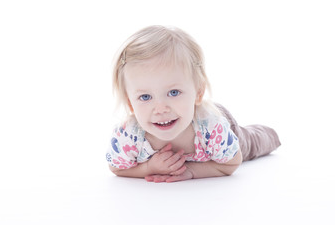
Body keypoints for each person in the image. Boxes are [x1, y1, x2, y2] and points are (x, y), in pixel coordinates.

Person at [106, 25, 281, 183]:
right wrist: (148, 168)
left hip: (221, 126)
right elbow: (116, 167)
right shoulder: (129, 135)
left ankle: (270, 134)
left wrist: (191, 171)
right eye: (145, 97)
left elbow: (230, 164)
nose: (160, 109)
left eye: (173, 93)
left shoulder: (213, 128)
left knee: (251, 142)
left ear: (198, 93)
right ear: (130, 104)